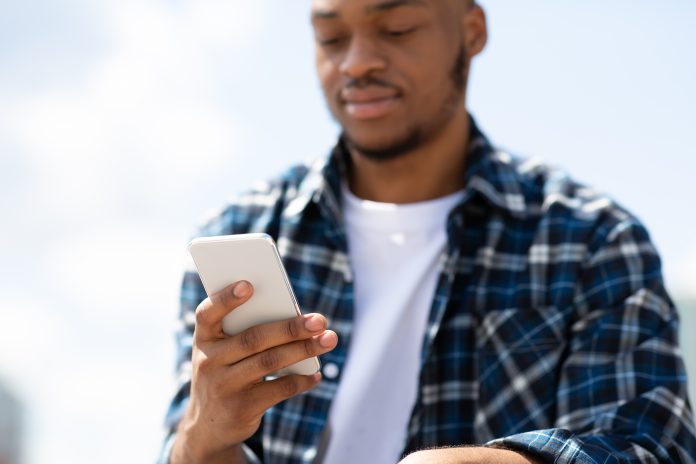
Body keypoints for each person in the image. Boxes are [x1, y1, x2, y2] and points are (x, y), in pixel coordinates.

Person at [159, 0, 696, 462]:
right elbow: (190, 450)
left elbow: (651, 448)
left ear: (471, 32)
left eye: (396, 29)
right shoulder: (240, 233)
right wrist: (203, 440)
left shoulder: (594, 241)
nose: (357, 61)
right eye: (331, 36)